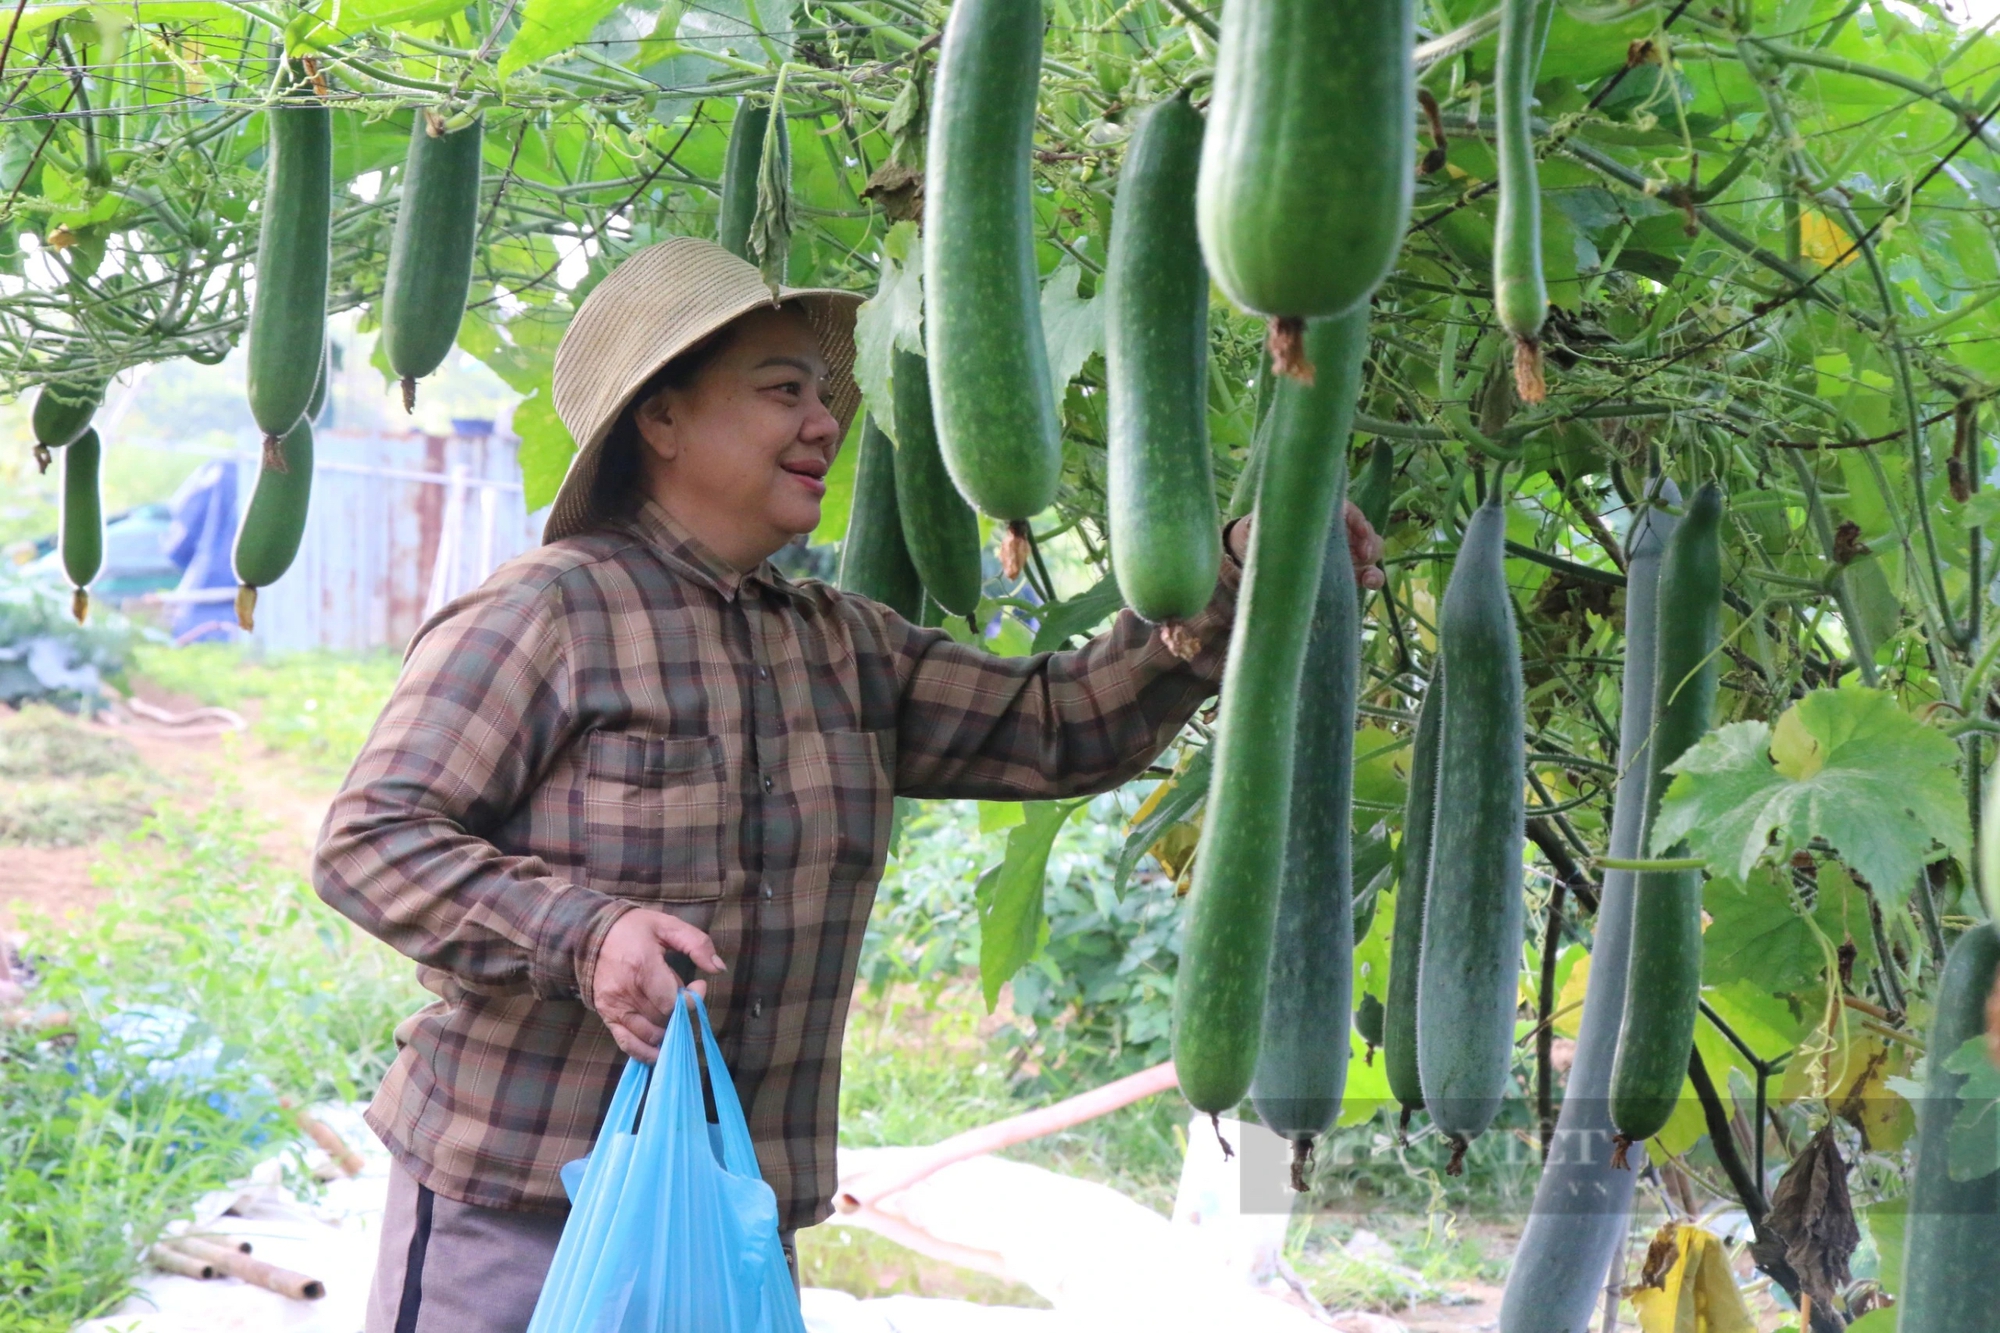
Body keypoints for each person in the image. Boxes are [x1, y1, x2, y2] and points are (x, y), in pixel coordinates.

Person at [312, 235, 1384, 1333]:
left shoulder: (838, 642)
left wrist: (1226, 583)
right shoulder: (548, 614)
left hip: (733, 1208)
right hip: (522, 1201)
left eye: (825, 396)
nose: (826, 424)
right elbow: (369, 840)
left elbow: (1059, 725)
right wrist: (585, 934)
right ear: (662, 420)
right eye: (784, 392)